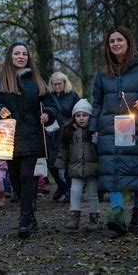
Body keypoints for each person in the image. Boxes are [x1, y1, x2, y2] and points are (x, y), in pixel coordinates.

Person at [90, 26, 138, 236]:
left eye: (119, 40)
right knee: (113, 170)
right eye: (111, 41)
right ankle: (118, 213)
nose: (115, 44)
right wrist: (93, 127)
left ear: (128, 41)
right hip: (110, 130)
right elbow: (97, 102)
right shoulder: (104, 72)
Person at [0, 42, 57, 239]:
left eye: (24, 53)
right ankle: (30, 214)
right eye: (17, 53)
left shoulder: (37, 82)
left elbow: (50, 105)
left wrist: (48, 114)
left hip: (31, 133)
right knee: (14, 177)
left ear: (28, 57)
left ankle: (24, 219)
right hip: (7, 134)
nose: (21, 56)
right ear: (11, 57)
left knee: (26, 176)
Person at [55, 99, 101, 232]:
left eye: (85, 115)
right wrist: (61, 165)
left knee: (93, 193)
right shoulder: (69, 131)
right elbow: (63, 149)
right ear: (74, 116)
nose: (81, 118)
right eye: (78, 115)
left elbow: (102, 149)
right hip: (75, 167)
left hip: (92, 167)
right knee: (75, 191)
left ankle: (94, 217)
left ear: (90, 116)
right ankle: (74, 216)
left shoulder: (95, 131)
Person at [47, 72, 80, 202]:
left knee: (67, 163)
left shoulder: (72, 96)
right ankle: (61, 185)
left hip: (68, 133)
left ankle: (69, 191)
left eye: (59, 84)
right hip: (52, 134)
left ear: (65, 83)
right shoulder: (48, 97)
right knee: (52, 163)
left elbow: (78, 112)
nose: (57, 86)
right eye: (54, 84)